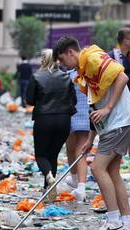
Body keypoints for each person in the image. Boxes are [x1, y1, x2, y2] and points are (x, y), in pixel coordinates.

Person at [53, 36, 130, 230]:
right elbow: (96, 106)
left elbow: (123, 78)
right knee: (112, 171)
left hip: (118, 121)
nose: (64, 66)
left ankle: (113, 223)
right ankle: (127, 221)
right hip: (119, 123)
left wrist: (109, 108)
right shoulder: (85, 68)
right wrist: (90, 140)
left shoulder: (92, 59)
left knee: (97, 168)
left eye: (63, 61)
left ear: (70, 53)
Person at [27, 49, 76, 201]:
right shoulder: (66, 77)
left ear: (42, 60)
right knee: (52, 155)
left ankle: (49, 178)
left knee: (41, 155)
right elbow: (73, 100)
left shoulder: (36, 76)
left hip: (44, 119)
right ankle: (48, 189)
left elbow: (29, 100)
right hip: (64, 121)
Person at [108, 28, 130, 183]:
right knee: (117, 137)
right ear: (125, 40)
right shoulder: (112, 56)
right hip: (117, 102)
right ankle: (114, 170)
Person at [57, 68, 90, 202]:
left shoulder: (67, 76)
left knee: (70, 148)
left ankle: (76, 179)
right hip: (85, 114)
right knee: (81, 149)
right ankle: (81, 186)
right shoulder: (89, 74)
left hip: (70, 114)